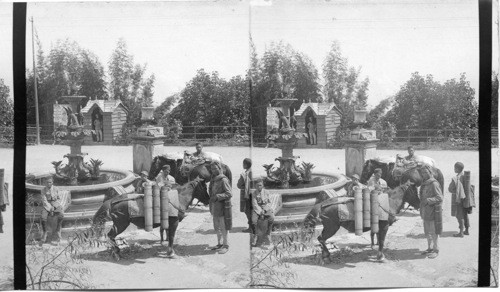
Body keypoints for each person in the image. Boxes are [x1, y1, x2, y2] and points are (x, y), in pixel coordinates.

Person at [418, 165, 443, 259]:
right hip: (425, 211)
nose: (424, 174)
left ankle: (436, 250)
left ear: (430, 172)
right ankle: (430, 248)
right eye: (423, 173)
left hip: (432, 212)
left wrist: (428, 200)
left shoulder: (434, 183)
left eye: (426, 172)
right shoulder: (425, 183)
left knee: (434, 232)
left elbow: (440, 197)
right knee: (427, 232)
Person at [209, 161, 232, 254]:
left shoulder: (223, 180)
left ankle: (226, 245)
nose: (214, 170)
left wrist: (218, 196)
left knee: (223, 227)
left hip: (222, 207)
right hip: (214, 207)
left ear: (219, 168)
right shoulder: (214, 179)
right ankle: (220, 243)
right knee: (216, 227)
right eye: (212, 169)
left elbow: (229, 193)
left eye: (215, 168)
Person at [40, 177, 64, 244]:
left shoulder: (56, 189)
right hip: (47, 205)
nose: (48, 184)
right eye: (47, 182)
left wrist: (54, 206)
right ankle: (45, 232)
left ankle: (58, 230)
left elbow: (59, 199)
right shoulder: (43, 190)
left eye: (50, 182)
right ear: (45, 183)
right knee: (43, 217)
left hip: (55, 204)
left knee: (61, 215)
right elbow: (44, 200)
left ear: (52, 182)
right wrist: (50, 208)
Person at [448, 162, 470, 237]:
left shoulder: (456, 178)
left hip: (458, 199)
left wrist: (454, 190)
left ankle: (461, 232)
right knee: (465, 214)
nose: (454, 169)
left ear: (457, 169)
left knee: (459, 215)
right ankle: (466, 230)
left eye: (455, 168)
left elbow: (450, 189)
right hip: (465, 199)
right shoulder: (465, 176)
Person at [251, 179, 275, 247]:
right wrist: (260, 212)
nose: (259, 187)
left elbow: (270, 203)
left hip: (266, 208)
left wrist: (264, 210)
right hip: (257, 209)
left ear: (263, 185)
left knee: (272, 218)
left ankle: (268, 233)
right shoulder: (254, 193)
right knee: (253, 221)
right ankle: (255, 235)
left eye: (260, 185)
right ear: (255, 186)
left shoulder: (267, 192)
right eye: (257, 185)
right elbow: (255, 204)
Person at [237, 158, 253, 233]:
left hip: (246, 194)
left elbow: (239, 185)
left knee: (247, 211)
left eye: (243, 164)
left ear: (246, 165)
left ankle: (251, 227)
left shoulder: (244, 174)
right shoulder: (252, 172)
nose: (242, 165)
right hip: (252, 194)